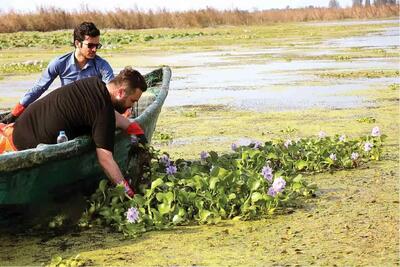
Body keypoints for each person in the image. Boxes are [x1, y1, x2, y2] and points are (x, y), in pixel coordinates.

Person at [3, 67, 147, 197]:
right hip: (22, 148)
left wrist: (130, 126)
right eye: (132, 101)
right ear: (121, 92)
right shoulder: (103, 113)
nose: (132, 106)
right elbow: (105, 160)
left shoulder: (93, 83)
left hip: (16, 129)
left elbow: (106, 113)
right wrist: (128, 192)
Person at [1, 21, 114, 124]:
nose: (94, 49)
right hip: (66, 111)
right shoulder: (59, 63)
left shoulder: (102, 65)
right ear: (77, 43)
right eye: (90, 45)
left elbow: (112, 91)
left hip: (92, 113)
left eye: (97, 46)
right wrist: (15, 112)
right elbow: (39, 88)